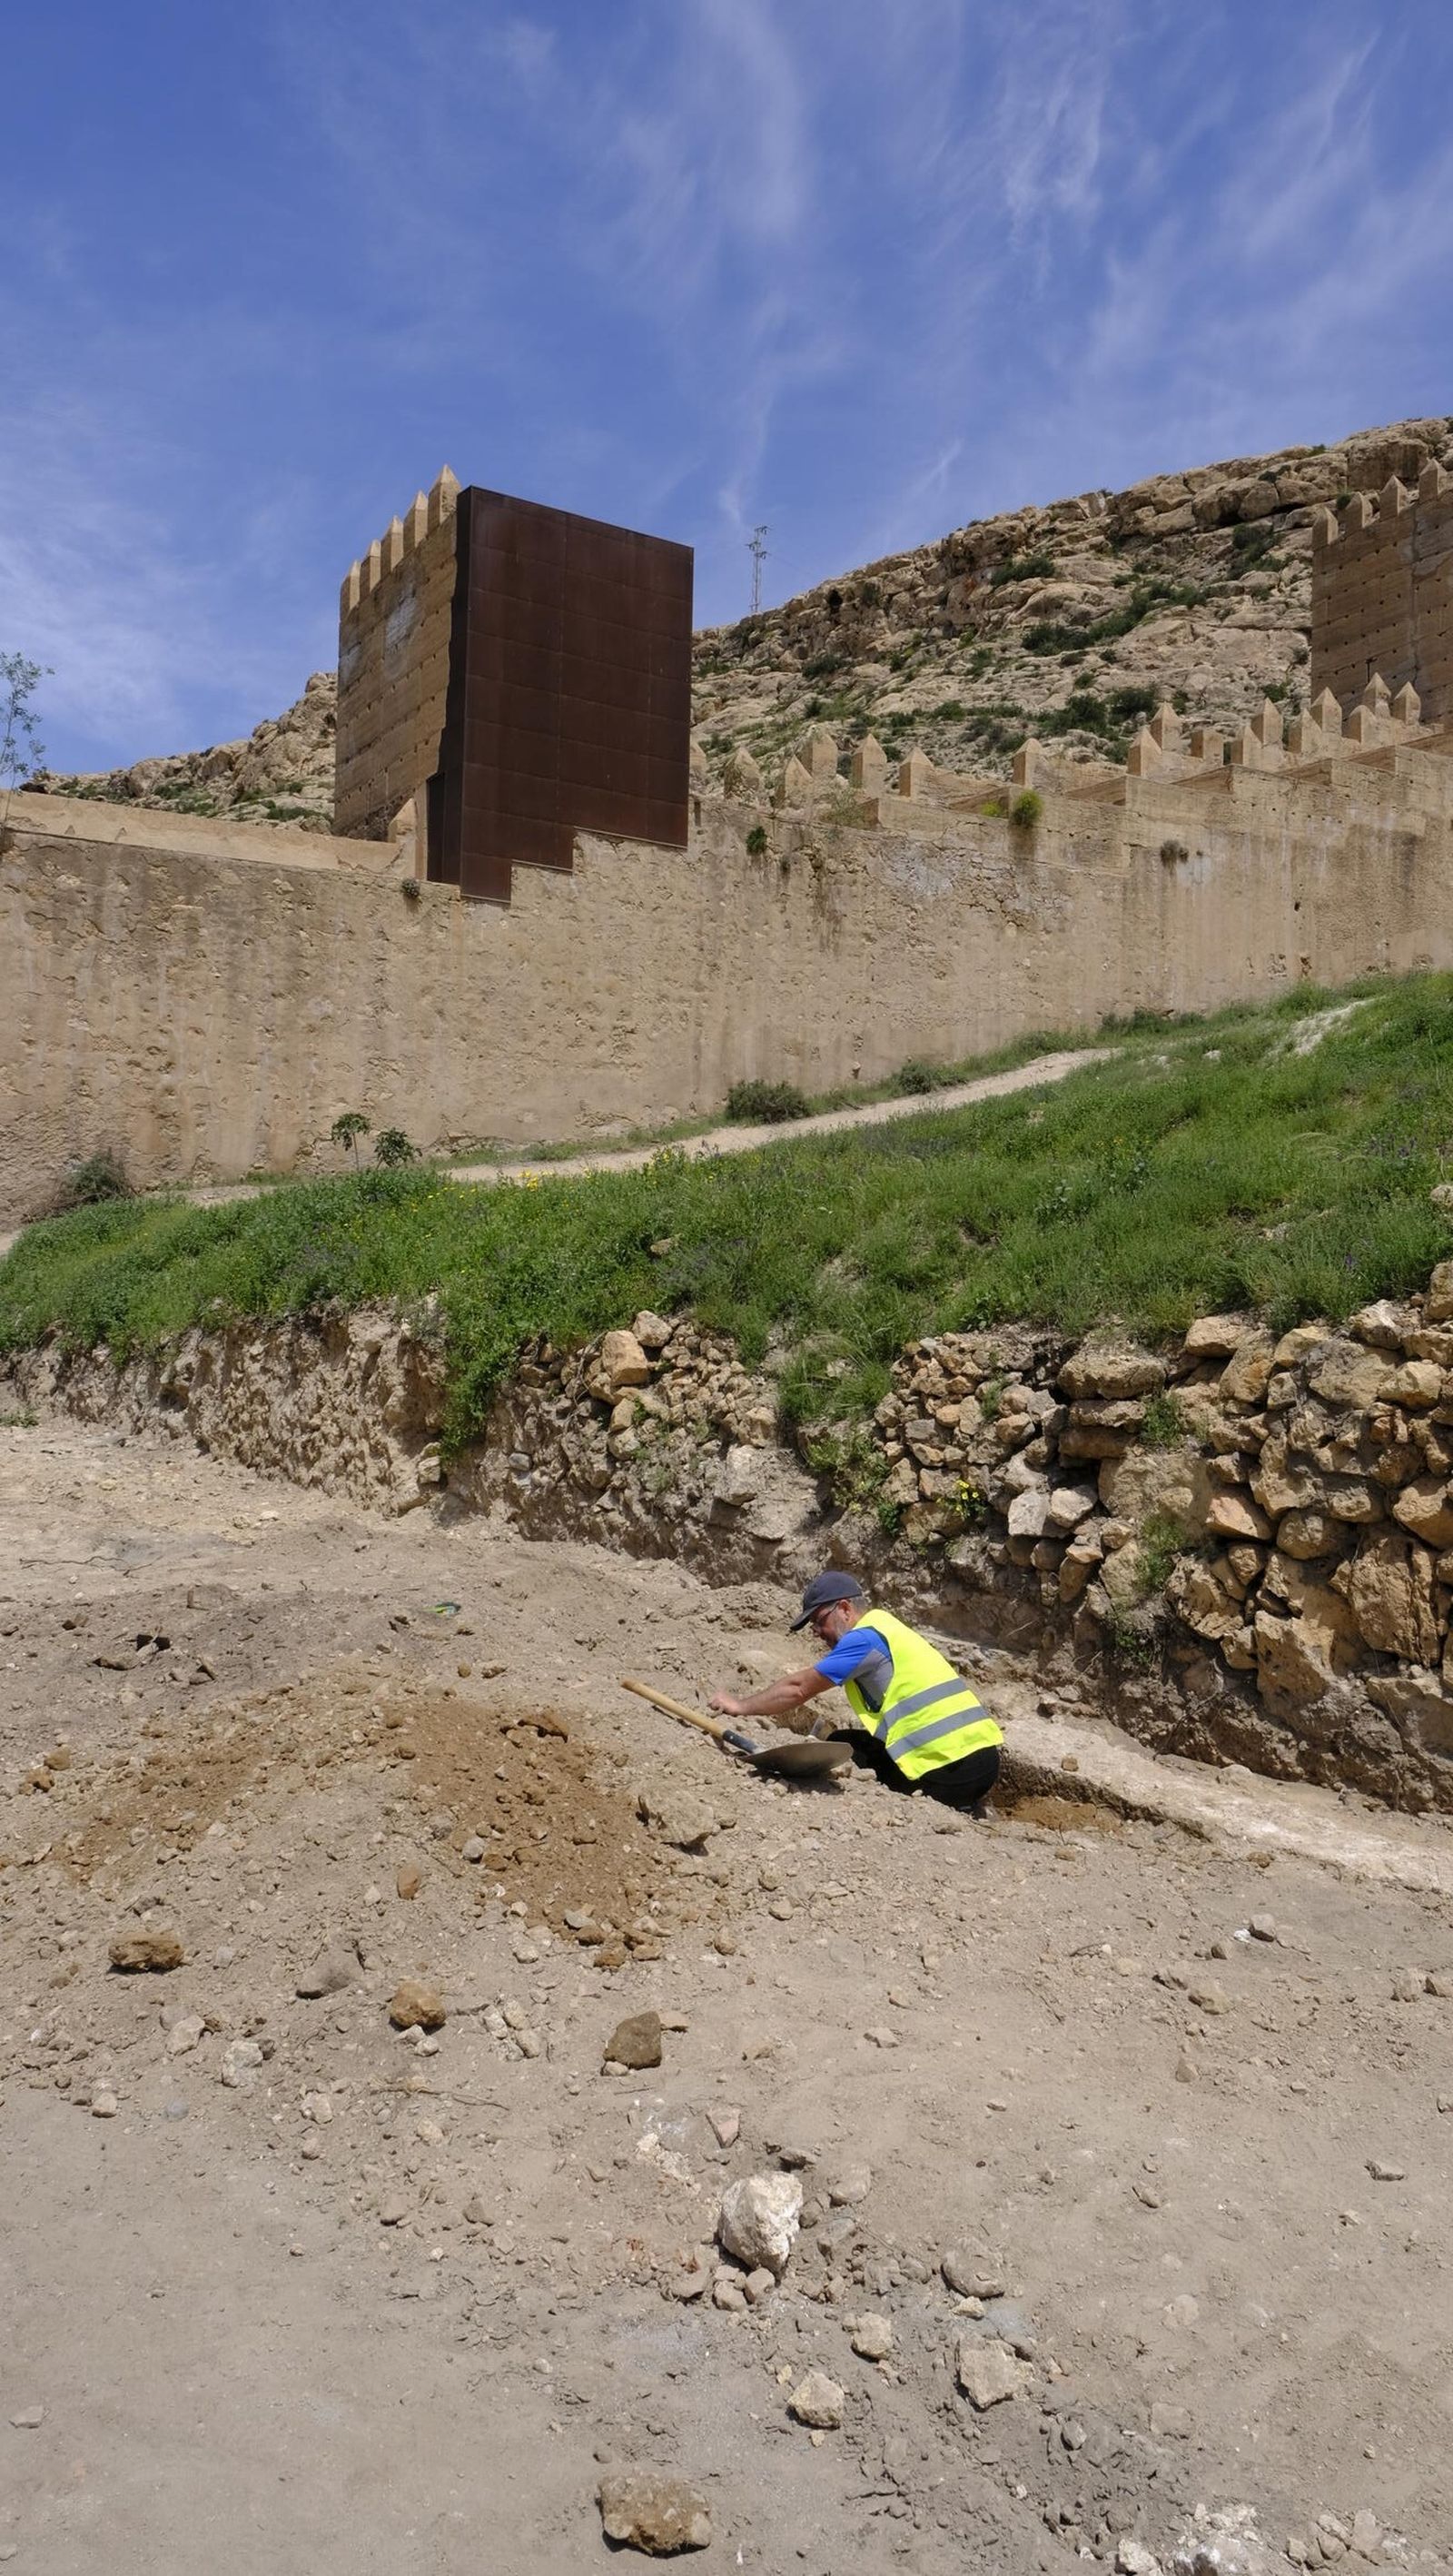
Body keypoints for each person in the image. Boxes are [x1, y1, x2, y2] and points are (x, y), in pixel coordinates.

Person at [709, 1570, 1002, 1811]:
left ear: (845, 1609)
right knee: (844, 1743)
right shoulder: (885, 1626)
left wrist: (740, 1706)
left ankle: (956, 1805)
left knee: (852, 1768)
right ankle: (967, 1801)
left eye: (819, 1620)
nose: (817, 1632)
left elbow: (799, 1689)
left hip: (954, 1771)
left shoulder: (862, 1641)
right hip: (979, 1758)